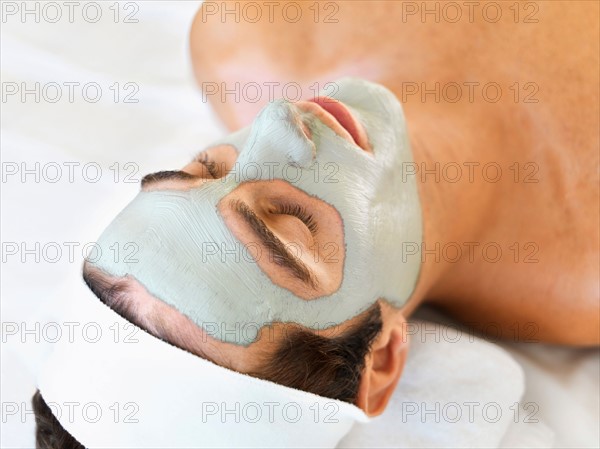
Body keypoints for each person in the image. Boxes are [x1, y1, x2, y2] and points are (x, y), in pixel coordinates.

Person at [33, 1, 599, 447]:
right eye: (293, 228)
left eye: (203, 170)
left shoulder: (248, 26)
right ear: (382, 359)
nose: (278, 119)